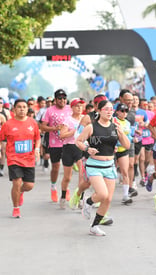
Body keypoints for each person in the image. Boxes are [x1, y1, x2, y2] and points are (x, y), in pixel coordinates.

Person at [75, 100, 130, 236]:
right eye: (106, 109)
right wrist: (87, 148)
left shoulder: (115, 126)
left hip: (110, 165)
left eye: (111, 109)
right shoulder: (91, 127)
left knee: (108, 199)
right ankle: (88, 201)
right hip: (94, 165)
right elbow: (78, 141)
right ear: (99, 111)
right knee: (102, 194)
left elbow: (127, 145)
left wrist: (121, 133)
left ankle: (94, 226)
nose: (109, 111)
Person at [0, 99, 41, 218]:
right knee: (17, 182)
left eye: (24, 107)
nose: (22, 109)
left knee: (29, 186)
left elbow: (37, 138)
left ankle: (20, 192)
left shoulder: (32, 123)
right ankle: (16, 208)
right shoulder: (8, 124)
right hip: (14, 158)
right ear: (14, 109)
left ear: (27, 109)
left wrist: (37, 149)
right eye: (19, 107)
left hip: (29, 159)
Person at [40, 89, 72, 202]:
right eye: (60, 98)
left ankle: (65, 188)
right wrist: (54, 128)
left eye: (64, 98)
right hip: (55, 144)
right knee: (56, 167)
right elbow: (42, 127)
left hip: (68, 143)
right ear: (55, 99)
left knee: (68, 169)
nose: (62, 100)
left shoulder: (70, 109)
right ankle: (53, 187)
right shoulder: (49, 111)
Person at [58, 98, 85, 209]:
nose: (79, 108)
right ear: (72, 108)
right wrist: (74, 131)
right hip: (69, 147)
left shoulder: (85, 119)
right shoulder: (67, 120)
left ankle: (80, 199)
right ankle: (63, 196)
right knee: (67, 177)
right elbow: (62, 135)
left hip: (80, 147)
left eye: (81, 106)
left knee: (82, 175)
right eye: (77, 106)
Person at [113, 103, 133, 204]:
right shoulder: (113, 121)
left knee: (125, 171)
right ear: (117, 112)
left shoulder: (128, 123)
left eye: (126, 111)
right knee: (110, 173)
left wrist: (132, 139)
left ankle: (125, 195)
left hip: (123, 149)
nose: (124, 113)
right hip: (112, 150)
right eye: (122, 111)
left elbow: (129, 135)